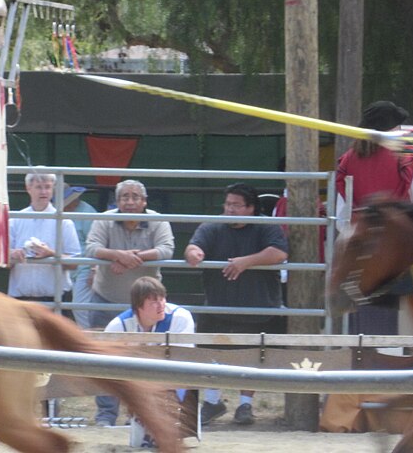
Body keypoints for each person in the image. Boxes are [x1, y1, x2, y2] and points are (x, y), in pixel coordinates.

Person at [184, 182, 288, 426]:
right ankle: (212, 402)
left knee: (251, 357)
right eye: (227, 204)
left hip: (258, 305)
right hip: (218, 304)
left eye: (236, 205)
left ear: (251, 208)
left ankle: (245, 405)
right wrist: (194, 253)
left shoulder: (265, 226)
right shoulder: (213, 225)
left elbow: (280, 252)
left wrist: (246, 262)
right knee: (211, 354)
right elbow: (193, 245)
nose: (229, 209)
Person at [335, 101, 413, 335]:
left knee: (366, 322)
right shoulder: (406, 155)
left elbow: (342, 219)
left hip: (361, 254)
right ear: (392, 129)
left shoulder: (347, 160)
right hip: (399, 251)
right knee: (403, 325)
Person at [95, 276, 195, 429]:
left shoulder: (180, 318)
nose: (161, 305)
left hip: (168, 374)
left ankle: (164, 418)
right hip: (130, 374)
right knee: (106, 371)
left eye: (162, 298)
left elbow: (182, 358)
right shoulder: (119, 326)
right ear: (138, 306)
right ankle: (106, 417)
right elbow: (102, 362)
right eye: (153, 301)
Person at [85, 180, 174, 330]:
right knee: (101, 348)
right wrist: (117, 255)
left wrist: (130, 258)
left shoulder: (158, 220)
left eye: (135, 197)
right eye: (125, 197)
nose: (130, 202)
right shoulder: (104, 219)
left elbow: (167, 249)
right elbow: (91, 247)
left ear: (144, 201)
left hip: (147, 303)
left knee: (144, 350)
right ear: (118, 202)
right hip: (105, 300)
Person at [7, 172, 80, 302]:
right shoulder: (15, 220)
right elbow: (3, 261)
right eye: (39, 187)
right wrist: (12, 255)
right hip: (21, 297)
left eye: (47, 187)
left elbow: (75, 263)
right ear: (28, 188)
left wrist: (51, 253)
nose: (44, 191)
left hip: (56, 298)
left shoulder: (64, 222)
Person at [58, 184, 99, 328]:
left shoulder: (87, 212)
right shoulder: (57, 213)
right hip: (64, 265)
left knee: (80, 306)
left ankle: (90, 336)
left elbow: (96, 242)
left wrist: (95, 269)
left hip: (85, 266)